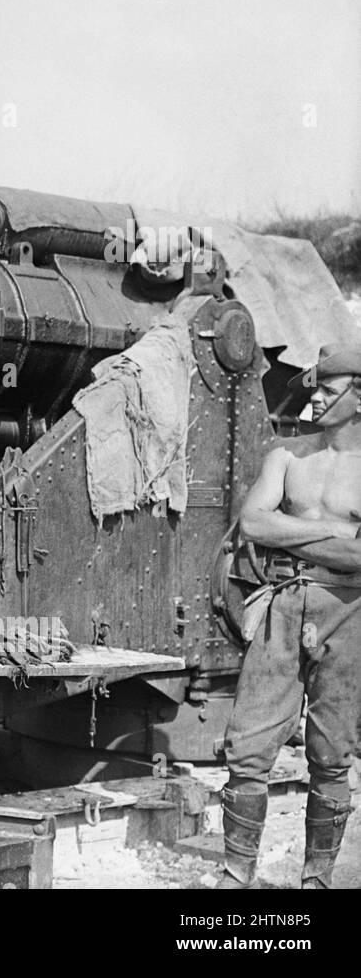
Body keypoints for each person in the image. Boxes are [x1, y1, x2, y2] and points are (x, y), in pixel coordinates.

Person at [219, 341, 361, 888]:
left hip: (349, 613)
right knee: (248, 746)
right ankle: (236, 876)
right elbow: (252, 526)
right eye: (317, 388)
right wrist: (333, 533)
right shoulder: (285, 454)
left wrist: (290, 535)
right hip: (281, 605)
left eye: (329, 389)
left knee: (330, 754)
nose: (317, 398)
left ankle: (317, 879)